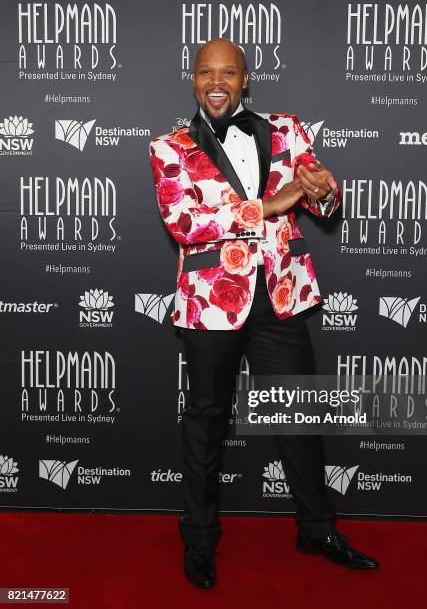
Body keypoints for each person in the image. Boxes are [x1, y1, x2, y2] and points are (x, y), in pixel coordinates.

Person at [149, 38, 379, 589]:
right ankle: (200, 539)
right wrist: (266, 206)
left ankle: (317, 529)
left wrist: (323, 188)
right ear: (194, 79)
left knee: (299, 414)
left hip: (279, 294)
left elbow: (319, 196)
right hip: (210, 303)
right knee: (206, 421)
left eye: (228, 71)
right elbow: (184, 222)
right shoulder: (169, 147)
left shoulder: (288, 128)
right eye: (207, 72)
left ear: (246, 78)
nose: (217, 80)